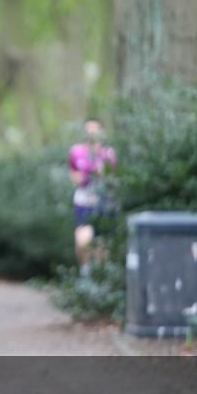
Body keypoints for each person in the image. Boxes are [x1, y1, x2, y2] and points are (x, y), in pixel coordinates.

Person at [68, 118, 117, 277]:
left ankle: (100, 280)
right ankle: (85, 273)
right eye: (88, 129)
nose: (92, 132)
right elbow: (75, 177)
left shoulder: (109, 153)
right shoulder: (76, 152)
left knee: (101, 247)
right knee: (82, 241)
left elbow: (111, 178)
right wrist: (91, 173)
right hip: (84, 202)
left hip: (104, 204)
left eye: (95, 129)